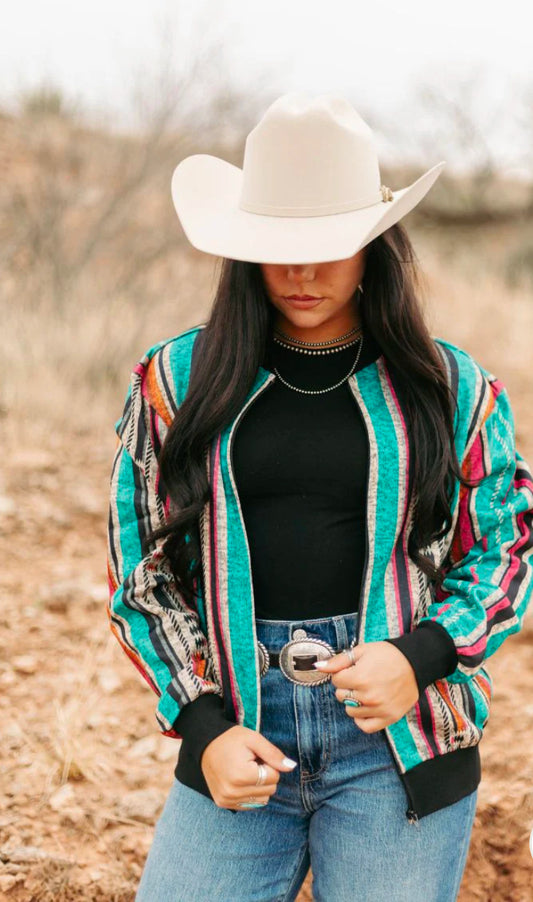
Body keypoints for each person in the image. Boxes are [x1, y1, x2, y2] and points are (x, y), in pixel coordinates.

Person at [106, 92, 533, 901]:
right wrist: (204, 732)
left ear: (375, 246)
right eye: (277, 247)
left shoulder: (452, 389)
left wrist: (417, 660)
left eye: (328, 247)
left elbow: (509, 544)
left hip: (401, 743)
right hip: (240, 733)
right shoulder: (175, 383)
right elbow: (138, 571)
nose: (301, 273)